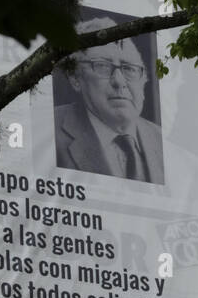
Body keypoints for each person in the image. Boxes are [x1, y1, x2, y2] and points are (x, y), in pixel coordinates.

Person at [54, 15, 165, 184]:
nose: (119, 81)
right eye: (103, 66)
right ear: (76, 78)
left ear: (143, 80)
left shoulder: (164, 143)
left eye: (129, 69)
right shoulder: (50, 130)